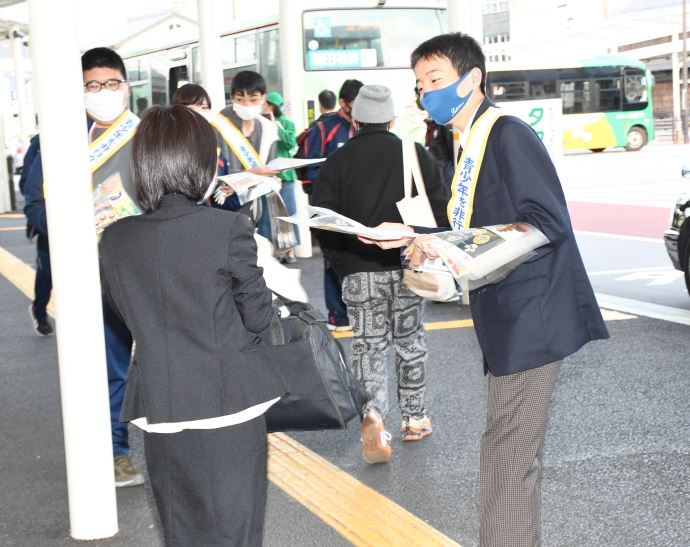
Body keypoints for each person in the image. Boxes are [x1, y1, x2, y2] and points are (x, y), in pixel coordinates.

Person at [360, 33, 609, 546]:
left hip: (532, 316)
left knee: (509, 452)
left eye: (436, 80)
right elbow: (483, 229)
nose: (426, 94)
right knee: (503, 448)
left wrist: (440, 243)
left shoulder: (506, 134)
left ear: (472, 79)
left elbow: (544, 223)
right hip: (508, 316)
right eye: (420, 84)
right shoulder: (469, 141)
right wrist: (423, 240)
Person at [99, 105, 286, 546]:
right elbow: (259, 316)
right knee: (236, 533)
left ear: (142, 164)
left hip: (160, 406)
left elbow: (127, 314)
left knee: (182, 533)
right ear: (203, 162)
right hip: (229, 404)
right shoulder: (226, 229)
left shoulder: (115, 239)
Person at [24, 46, 144, 487]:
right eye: (92, 85)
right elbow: (35, 203)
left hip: (146, 267)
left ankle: (178, 443)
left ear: (126, 86)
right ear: (80, 91)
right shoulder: (56, 140)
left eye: (111, 84)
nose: (103, 92)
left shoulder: (148, 134)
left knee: (168, 360)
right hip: (90, 273)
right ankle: (116, 451)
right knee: (111, 365)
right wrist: (71, 227)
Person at [311, 85, 449, 464]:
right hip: (407, 264)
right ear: (391, 119)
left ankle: (373, 416)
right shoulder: (412, 153)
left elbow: (321, 220)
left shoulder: (337, 161)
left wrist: (342, 264)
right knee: (410, 343)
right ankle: (415, 419)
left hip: (358, 271)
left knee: (368, 347)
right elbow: (442, 208)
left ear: (354, 120)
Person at [304, 79, 364, 332]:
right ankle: (338, 315)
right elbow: (306, 168)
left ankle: (360, 313)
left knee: (360, 258)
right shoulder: (323, 128)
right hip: (329, 207)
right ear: (343, 103)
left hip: (359, 206)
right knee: (333, 261)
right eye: (355, 105)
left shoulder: (366, 128)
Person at [210, 70, 279, 216]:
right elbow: (212, 174)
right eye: (240, 99)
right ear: (232, 98)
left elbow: (269, 173)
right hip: (223, 208)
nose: (246, 105)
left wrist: (265, 179)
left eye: (253, 99)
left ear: (263, 97)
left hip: (254, 207)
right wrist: (253, 174)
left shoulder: (268, 129)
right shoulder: (217, 126)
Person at [20, 134, 54, 337]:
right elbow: (27, 184)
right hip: (51, 226)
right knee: (47, 274)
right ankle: (39, 312)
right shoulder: (40, 143)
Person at [263, 90, 299, 263]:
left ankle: (290, 251)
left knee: (288, 214)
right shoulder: (260, 123)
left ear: (273, 106)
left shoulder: (286, 123)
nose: (264, 107)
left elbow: (291, 142)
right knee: (269, 217)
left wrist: (275, 125)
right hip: (268, 176)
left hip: (286, 175)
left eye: (267, 104)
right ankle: (275, 251)